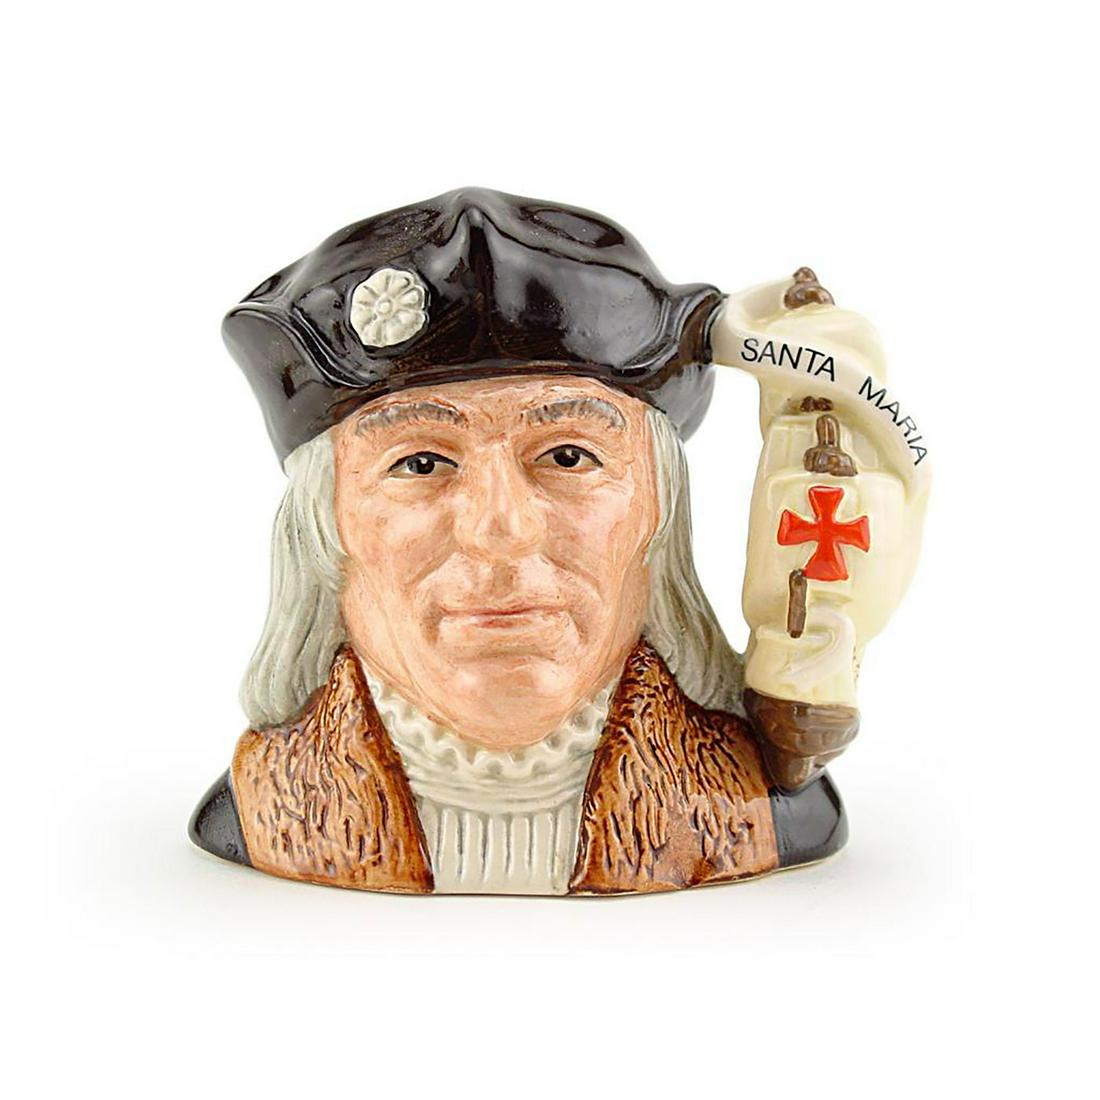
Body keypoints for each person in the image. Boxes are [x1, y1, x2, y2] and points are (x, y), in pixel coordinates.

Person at [190, 188, 862, 895]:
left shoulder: (750, 806)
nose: (500, 532)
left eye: (569, 456)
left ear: (659, 514)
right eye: (420, 463)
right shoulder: (262, 806)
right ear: (321, 529)